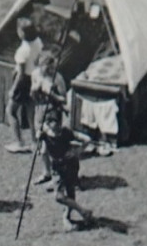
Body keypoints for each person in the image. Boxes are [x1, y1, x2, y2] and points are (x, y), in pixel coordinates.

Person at [39, 104, 92, 230]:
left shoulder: (66, 132)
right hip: (57, 168)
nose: (55, 126)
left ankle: (67, 219)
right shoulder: (45, 135)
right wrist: (40, 141)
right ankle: (84, 211)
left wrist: (77, 151)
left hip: (71, 165)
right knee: (59, 196)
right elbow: (43, 151)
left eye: (57, 123)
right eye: (50, 123)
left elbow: (87, 140)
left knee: (70, 193)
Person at [30, 52, 72, 186]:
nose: (50, 71)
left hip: (53, 114)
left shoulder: (57, 78)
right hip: (39, 112)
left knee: (53, 147)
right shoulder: (35, 74)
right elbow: (32, 95)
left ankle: (57, 176)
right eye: (47, 68)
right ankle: (46, 173)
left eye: (51, 68)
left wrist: (52, 94)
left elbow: (64, 100)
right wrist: (36, 89)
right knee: (42, 147)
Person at [7, 18, 43, 154]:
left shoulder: (22, 51)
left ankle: (18, 142)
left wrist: (13, 89)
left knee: (10, 111)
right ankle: (35, 142)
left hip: (24, 81)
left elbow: (21, 74)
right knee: (31, 112)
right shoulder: (38, 42)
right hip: (34, 78)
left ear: (22, 33)